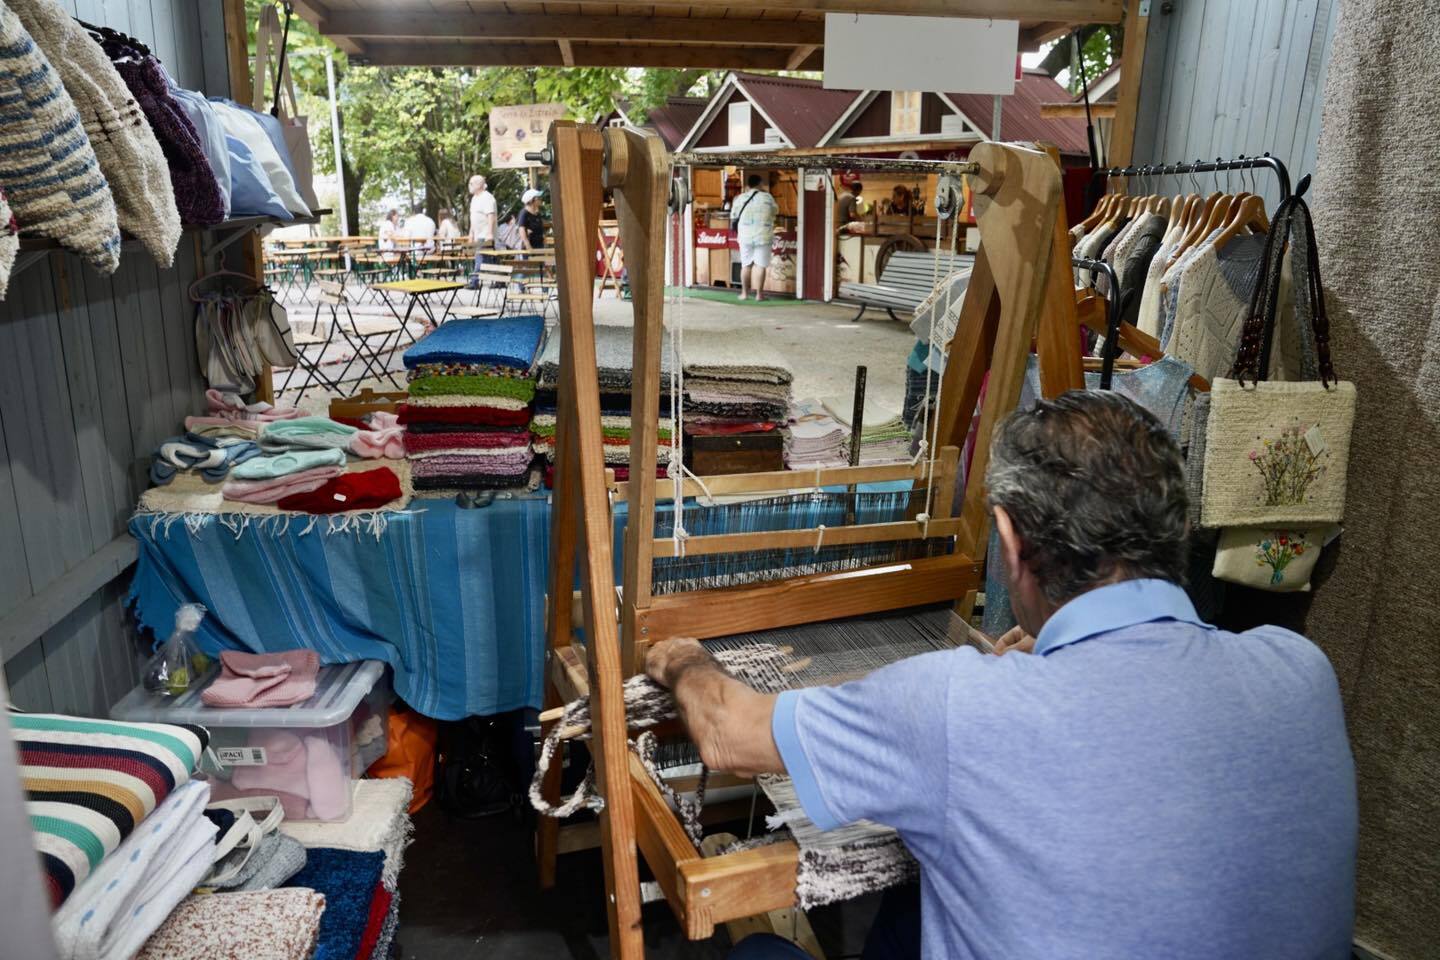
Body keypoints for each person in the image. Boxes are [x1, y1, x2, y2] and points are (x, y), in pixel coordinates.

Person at [647, 390, 1358, 960]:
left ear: (1009, 540)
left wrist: (680, 656)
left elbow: (726, 730)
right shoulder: (1300, 671)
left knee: (759, 952)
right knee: (921, 894)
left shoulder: (955, 704)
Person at [732, 173, 778, 302]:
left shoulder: (740, 198)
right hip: (763, 235)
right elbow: (775, 212)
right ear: (760, 183)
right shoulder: (768, 197)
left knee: (746, 265)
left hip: (745, 236)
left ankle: (744, 294)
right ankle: (759, 295)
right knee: (760, 265)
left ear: (748, 185)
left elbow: (733, 215)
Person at [469, 174, 497, 266]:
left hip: (485, 236)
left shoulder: (487, 197)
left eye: (471, 183)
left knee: (482, 263)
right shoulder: (474, 198)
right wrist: (471, 234)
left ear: (478, 185)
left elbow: (491, 216)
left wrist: (490, 233)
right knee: (481, 262)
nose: (469, 186)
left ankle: (476, 277)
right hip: (477, 236)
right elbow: (473, 217)